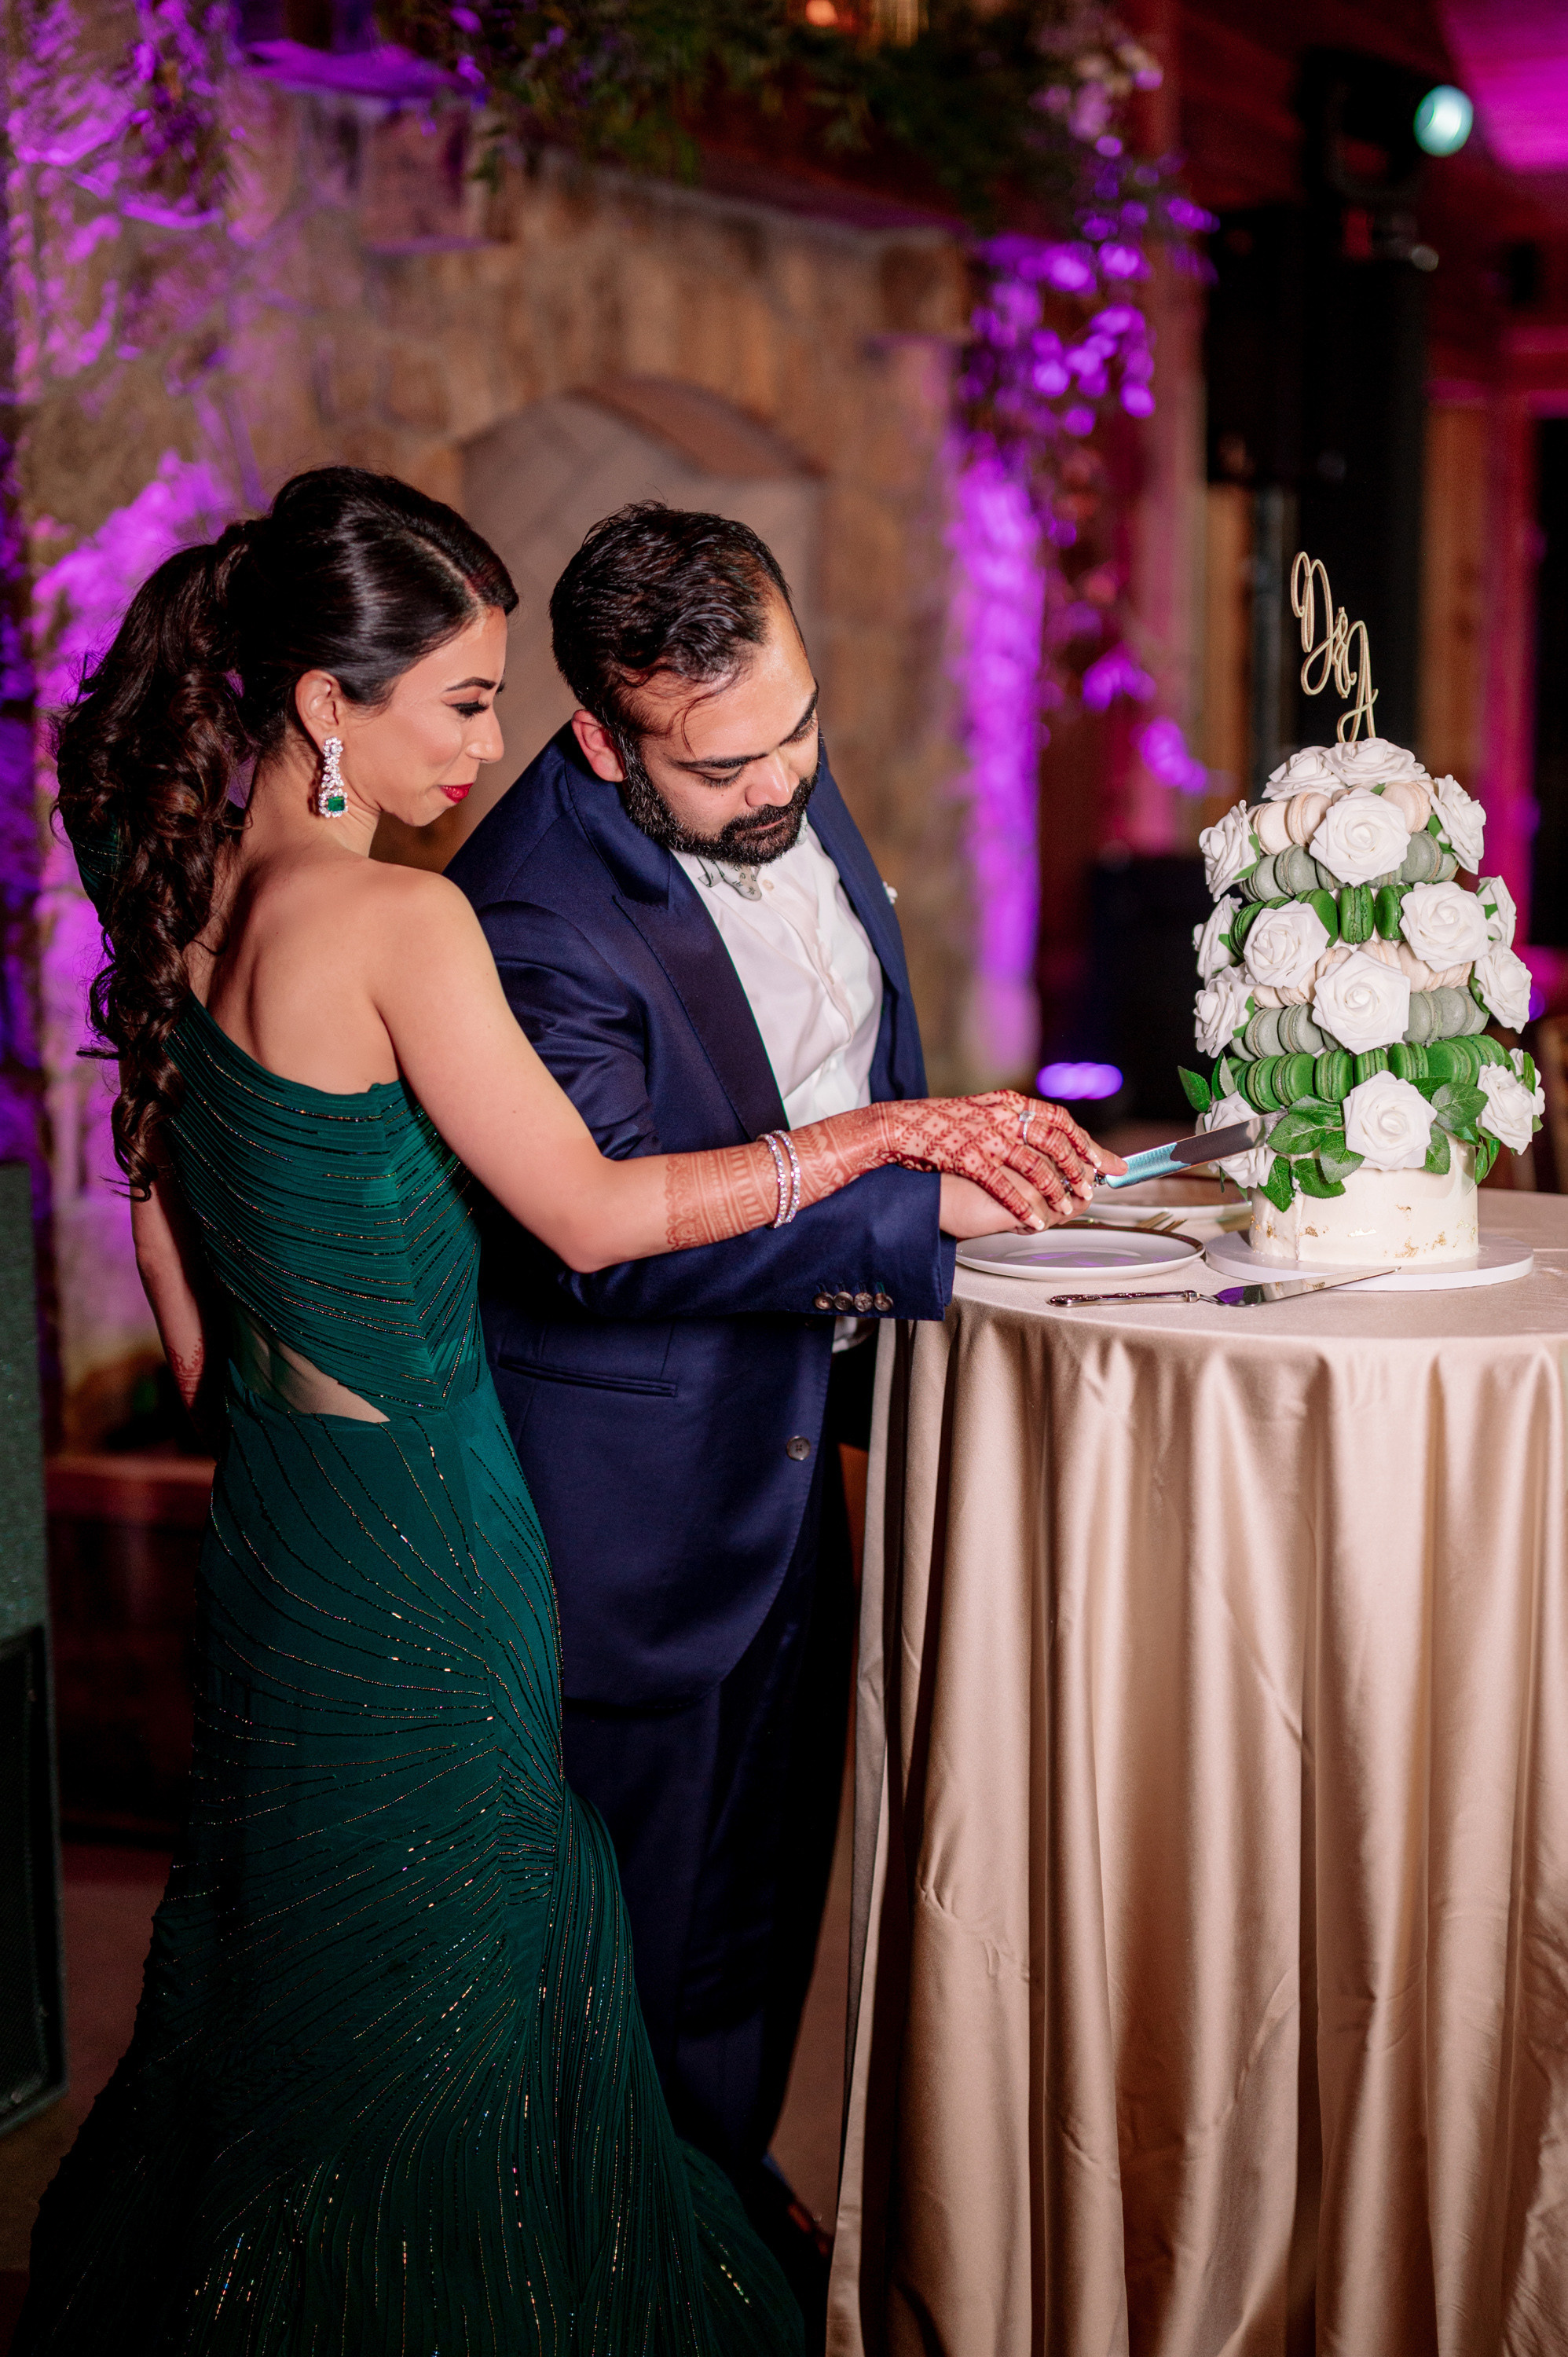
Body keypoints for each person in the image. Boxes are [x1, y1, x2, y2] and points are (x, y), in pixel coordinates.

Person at [16, 466, 1113, 2357]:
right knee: (476, 1995)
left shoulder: (180, 929)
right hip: (439, 1546)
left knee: (312, 1981)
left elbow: (197, 1354)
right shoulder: (407, 926)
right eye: (461, 701)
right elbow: (593, 1219)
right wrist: (880, 1137)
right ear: (324, 704)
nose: (486, 747)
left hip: (283, 1547)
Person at [444, 504, 1108, 2308]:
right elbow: (597, 1245)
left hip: (791, 1446)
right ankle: (613, 2276)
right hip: (635, 1500)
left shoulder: (766, 757)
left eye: (794, 732)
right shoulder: (531, 915)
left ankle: (714, 2234)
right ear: (605, 740)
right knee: (633, 1947)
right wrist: (913, 1210)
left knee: (754, 1911)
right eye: (722, 766)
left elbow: (837, 1055)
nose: (780, 785)